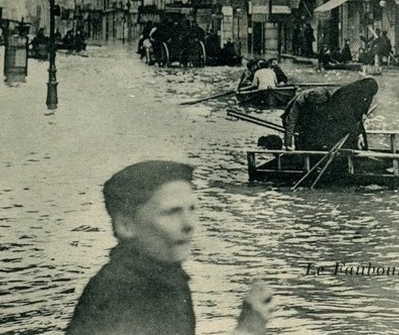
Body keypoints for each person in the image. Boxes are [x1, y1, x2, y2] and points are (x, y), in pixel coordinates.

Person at [66, 161, 272, 335]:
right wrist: (247, 330)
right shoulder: (126, 295)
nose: (189, 223)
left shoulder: (160, 278)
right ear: (125, 225)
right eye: (172, 212)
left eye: (192, 209)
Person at [282, 78, 378, 151]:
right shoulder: (298, 103)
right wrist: (288, 144)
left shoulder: (328, 96)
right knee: (302, 135)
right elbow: (290, 123)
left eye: (319, 106)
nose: (318, 108)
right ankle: (303, 158)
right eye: (316, 106)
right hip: (297, 118)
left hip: (312, 115)